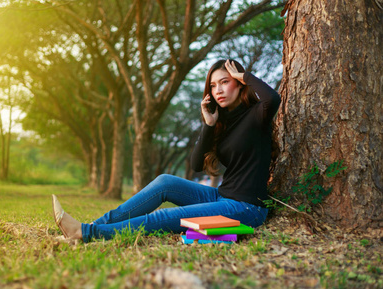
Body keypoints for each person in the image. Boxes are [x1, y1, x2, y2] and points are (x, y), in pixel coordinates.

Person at [52, 59, 281, 242]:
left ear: (239, 83)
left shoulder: (256, 115)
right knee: (164, 182)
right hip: (221, 196)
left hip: (246, 208)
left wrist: (245, 76)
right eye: (213, 85)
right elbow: (195, 165)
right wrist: (209, 125)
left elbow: (273, 97)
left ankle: (86, 234)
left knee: (164, 216)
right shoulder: (222, 121)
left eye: (225, 82)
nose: (218, 90)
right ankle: (94, 225)